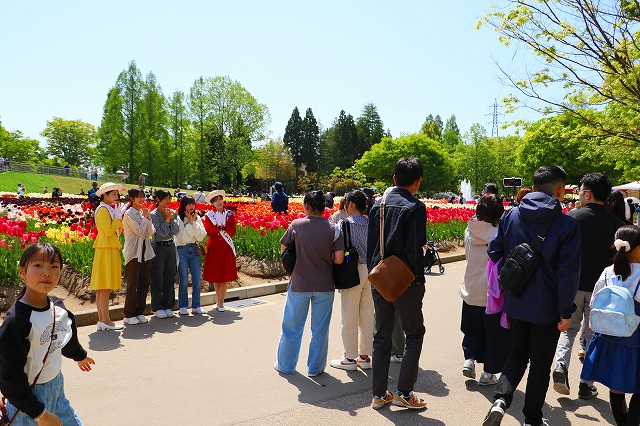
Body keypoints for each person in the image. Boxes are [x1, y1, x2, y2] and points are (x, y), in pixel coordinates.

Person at [483, 165, 581, 426]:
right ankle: (532, 419)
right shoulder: (567, 225)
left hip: (515, 302)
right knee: (539, 364)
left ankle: (500, 400)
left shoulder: (511, 215)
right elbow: (568, 274)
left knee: (517, 352)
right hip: (547, 310)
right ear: (559, 190)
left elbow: (494, 251)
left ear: (534, 187)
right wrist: (566, 312)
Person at [0, 243, 95, 425]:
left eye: (54, 266)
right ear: (22, 272)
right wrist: (40, 414)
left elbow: (64, 337)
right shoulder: (17, 321)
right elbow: (9, 373)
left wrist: (79, 356)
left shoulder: (58, 307)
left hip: (56, 386)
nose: (47, 272)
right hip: (28, 399)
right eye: (38, 265)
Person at [552, 173, 625, 400]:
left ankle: (561, 366)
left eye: (581, 190)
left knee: (569, 329)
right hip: (602, 290)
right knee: (594, 334)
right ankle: (586, 383)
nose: (579, 194)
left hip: (572, 285)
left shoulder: (571, 218)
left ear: (588, 193)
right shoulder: (617, 226)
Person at [367, 157, 427, 410]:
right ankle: (404, 392)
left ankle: (379, 394)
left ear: (394, 179)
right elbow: (415, 249)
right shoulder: (415, 207)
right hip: (405, 280)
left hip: (379, 278)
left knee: (381, 336)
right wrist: (419, 280)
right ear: (418, 182)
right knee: (414, 333)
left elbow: (370, 246)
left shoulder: (377, 206)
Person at [274, 191, 345, 376]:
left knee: (292, 328)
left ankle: (286, 365)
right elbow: (339, 259)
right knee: (320, 329)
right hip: (324, 284)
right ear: (323, 208)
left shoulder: (296, 225)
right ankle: (315, 368)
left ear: (307, 206)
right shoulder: (334, 229)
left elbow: (283, 250)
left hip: (299, 283)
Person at [581, 225, 640, 426]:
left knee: (616, 387)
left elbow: (594, 301)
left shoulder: (608, 272)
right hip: (636, 339)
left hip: (610, 337)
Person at [460, 194, 511, 386]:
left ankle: (469, 359)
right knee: (493, 335)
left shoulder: (470, 230)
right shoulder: (500, 233)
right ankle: (488, 373)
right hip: (492, 293)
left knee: (471, 329)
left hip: (470, 289)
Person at [329, 190, 373, 371]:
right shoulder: (371, 224)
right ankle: (365, 356)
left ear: (352, 204)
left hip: (352, 272)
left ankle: (349, 358)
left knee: (349, 316)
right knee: (367, 315)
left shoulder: (344, 224)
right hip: (371, 271)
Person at [90, 182, 127, 331]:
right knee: (104, 287)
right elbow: (108, 231)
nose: (116, 197)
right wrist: (118, 218)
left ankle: (103, 320)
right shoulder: (103, 210)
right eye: (113, 194)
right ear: (105, 195)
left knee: (103, 288)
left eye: (117, 194)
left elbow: (116, 231)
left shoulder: (106, 209)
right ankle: (106, 321)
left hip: (107, 247)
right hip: (106, 248)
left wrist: (117, 218)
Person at [122, 188, 155, 326]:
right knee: (133, 284)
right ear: (132, 199)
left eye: (143, 197)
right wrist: (146, 219)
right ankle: (129, 314)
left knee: (144, 282)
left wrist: (147, 218)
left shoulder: (143, 213)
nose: (142, 200)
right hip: (134, 252)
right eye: (139, 197)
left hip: (145, 251)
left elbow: (151, 231)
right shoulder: (129, 214)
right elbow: (139, 231)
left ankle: (140, 312)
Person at [203, 190, 237, 311]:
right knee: (216, 276)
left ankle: (222, 302)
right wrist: (217, 228)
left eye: (220, 199)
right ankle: (218, 301)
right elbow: (209, 232)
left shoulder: (229, 215)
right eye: (215, 200)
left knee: (224, 276)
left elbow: (232, 231)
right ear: (212, 203)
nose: (219, 202)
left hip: (226, 248)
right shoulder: (209, 216)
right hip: (214, 248)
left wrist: (225, 227)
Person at [175, 195, 207, 315]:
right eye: (188, 204)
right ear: (183, 205)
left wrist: (192, 222)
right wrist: (190, 224)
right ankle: (183, 306)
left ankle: (196, 305)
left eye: (193, 204)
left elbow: (200, 236)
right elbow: (182, 238)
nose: (191, 206)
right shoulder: (178, 218)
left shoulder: (197, 218)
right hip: (181, 249)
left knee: (197, 278)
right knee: (183, 279)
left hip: (194, 249)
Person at [150, 189, 179, 318]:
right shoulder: (153, 215)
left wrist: (171, 219)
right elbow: (160, 233)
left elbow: (174, 231)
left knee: (170, 276)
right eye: (165, 198)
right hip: (158, 246)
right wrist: (167, 219)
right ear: (158, 200)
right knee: (157, 277)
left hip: (170, 245)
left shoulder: (172, 212)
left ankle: (169, 305)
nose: (168, 201)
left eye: (169, 198)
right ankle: (157, 307)